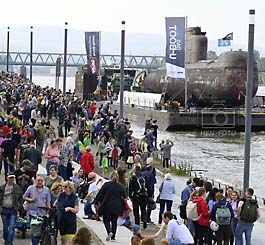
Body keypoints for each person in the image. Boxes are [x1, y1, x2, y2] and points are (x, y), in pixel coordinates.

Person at [95, 171, 127, 242]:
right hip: (117, 206)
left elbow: (100, 194)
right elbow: (124, 196)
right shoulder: (120, 186)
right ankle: (113, 237)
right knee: (114, 221)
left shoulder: (106, 185)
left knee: (106, 220)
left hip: (107, 205)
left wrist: (97, 202)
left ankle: (109, 232)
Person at [23, 175, 51, 245]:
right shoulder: (31, 188)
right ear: (36, 181)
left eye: (41, 181)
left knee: (42, 231)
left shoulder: (46, 190)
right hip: (33, 213)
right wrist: (30, 199)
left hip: (43, 213)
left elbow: (48, 201)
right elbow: (24, 196)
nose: (40, 182)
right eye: (38, 180)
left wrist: (48, 211)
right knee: (35, 231)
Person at [0, 172, 23, 245]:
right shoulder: (2, 188)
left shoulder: (17, 188)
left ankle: (10, 242)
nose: (12, 179)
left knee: (12, 227)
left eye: (13, 178)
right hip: (4, 210)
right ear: (7, 178)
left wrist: (18, 207)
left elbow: (20, 198)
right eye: (10, 178)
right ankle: (6, 239)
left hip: (13, 210)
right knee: (5, 227)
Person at [55, 181, 79, 245]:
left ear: (70, 188)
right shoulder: (61, 195)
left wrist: (70, 208)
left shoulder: (74, 197)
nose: (64, 188)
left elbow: (76, 210)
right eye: (63, 186)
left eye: (65, 187)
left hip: (70, 220)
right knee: (63, 239)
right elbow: (56, 204)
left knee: (71, 239)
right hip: (62, 219)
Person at [129, 165, 152, 229]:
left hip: (136, 196)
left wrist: (130, 196)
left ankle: (137, 224)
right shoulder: (145, 177)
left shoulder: (133, 178)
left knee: (136, 211)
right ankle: (144, 220)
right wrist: (149, 195)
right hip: (144, 196)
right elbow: (149, 187)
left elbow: (130, 188)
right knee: (143, 209)